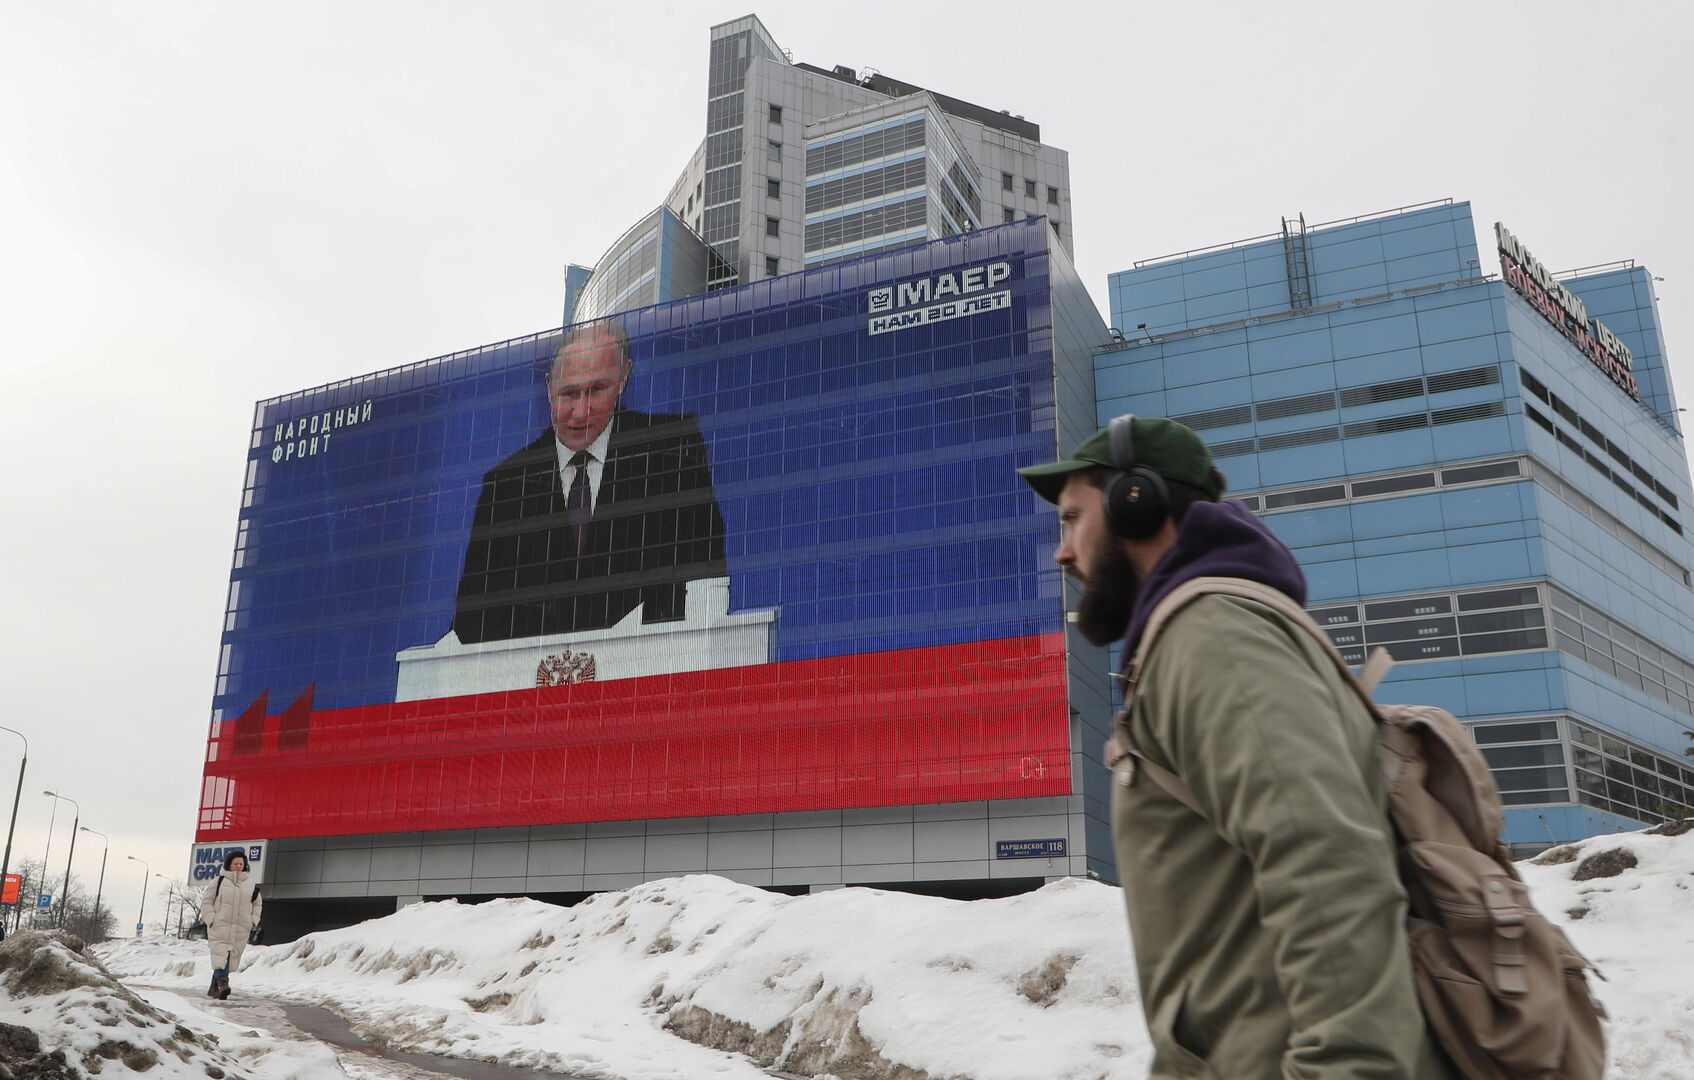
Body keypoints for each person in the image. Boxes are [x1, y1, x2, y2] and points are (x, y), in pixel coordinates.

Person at [1018, 416, 1454, 1080]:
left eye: (1074, 519)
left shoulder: (1215, 635)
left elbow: (1326, 864)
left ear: (1136, 505)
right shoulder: (1203, 631)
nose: (1063, 552)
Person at [452, 318, 727, 645]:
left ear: (623, 377)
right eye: (568, 394)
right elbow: (472, 619)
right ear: (549, 386)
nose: (580, 412)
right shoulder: (507, 483)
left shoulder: (672, 449)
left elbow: (704, 576)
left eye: (596, 390)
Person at [200, 850, 262, 1000]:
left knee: (230, 956)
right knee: (221, 955)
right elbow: (206, 901)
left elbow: (257, 904)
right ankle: (223, 984)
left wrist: (253, 920)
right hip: (219, 926)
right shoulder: (218, 881)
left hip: (241, 928)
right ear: (229, 864)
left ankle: (214, 988)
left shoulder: (250, 885)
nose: (239, 866)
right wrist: (211, 918)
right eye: (236, 863)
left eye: (241, 863)